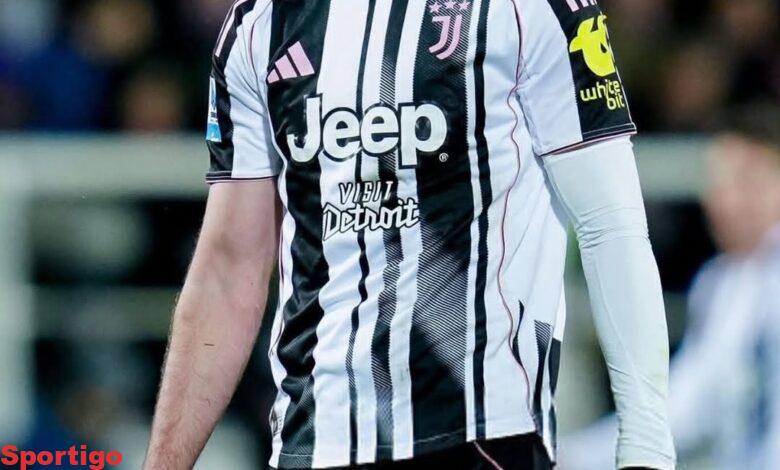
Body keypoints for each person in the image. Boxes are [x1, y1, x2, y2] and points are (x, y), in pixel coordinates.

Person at [144, 0, 675, 468]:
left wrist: (647, 444)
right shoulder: (261, 22)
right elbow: (228, 269)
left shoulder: (533, 7)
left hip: (482, 430)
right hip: (315, 436)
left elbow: (611, 225)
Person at [561, 105, 780, 469]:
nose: (728, 201)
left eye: (747, 181)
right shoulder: (721, 285)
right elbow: (689, 403)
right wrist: (576, 457)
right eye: (719, 184)